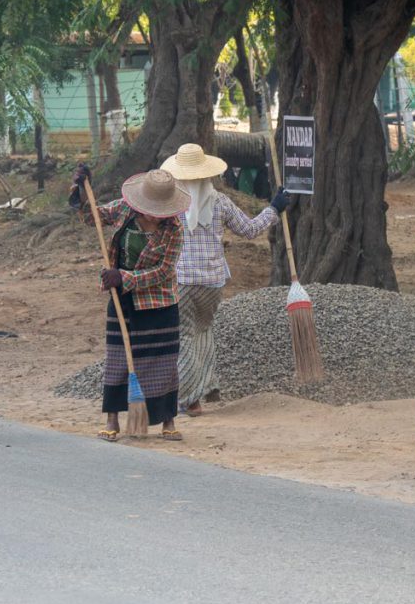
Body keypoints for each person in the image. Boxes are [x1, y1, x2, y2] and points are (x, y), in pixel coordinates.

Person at [160, 143, 288, 416]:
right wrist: (275, 208)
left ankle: (190, 400)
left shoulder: (170, 203)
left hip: (181, 280)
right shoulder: (219, 202)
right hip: (213, 283)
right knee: (204, 332)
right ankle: (207, 387)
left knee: (183, 336)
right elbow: (250, 230)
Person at [70, 165, 190, 441]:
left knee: (162, 362)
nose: (153, 214)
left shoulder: (174, 229)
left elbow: (164, 271)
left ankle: (168, 420)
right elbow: (93, 218)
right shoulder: (125, 210)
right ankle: (112, 419)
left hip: (159, 303)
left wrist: (124, 277)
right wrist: (81, 191)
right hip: (120, 297)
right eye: (150, 207)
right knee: (117, 359)